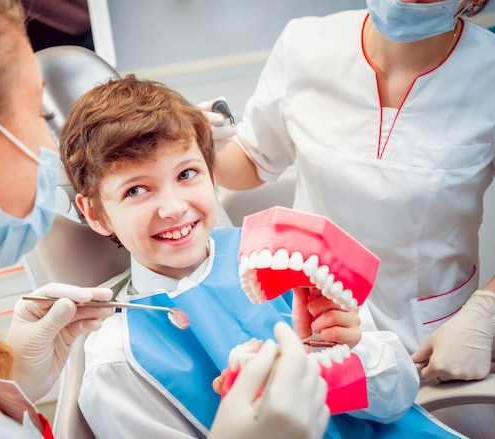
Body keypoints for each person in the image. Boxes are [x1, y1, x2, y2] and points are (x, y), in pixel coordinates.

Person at [0, 1, 333, 438]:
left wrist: (10, 385)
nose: (52, 150)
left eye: (187, 174)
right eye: (38, 112)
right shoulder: (114, 360)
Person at [59, 74, 465, 439]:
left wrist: (336, 358)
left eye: (186, 174)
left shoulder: (287, 254)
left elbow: (398, 395)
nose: (174, 208)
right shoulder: (118, 361)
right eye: (136, 190)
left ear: (210, 171)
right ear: (95, 213)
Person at [208, 0, 495, 384]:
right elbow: (250, 160)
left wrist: (487, 311)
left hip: (431, 348)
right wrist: (199, 141)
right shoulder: (305, 45)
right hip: (315, 331)